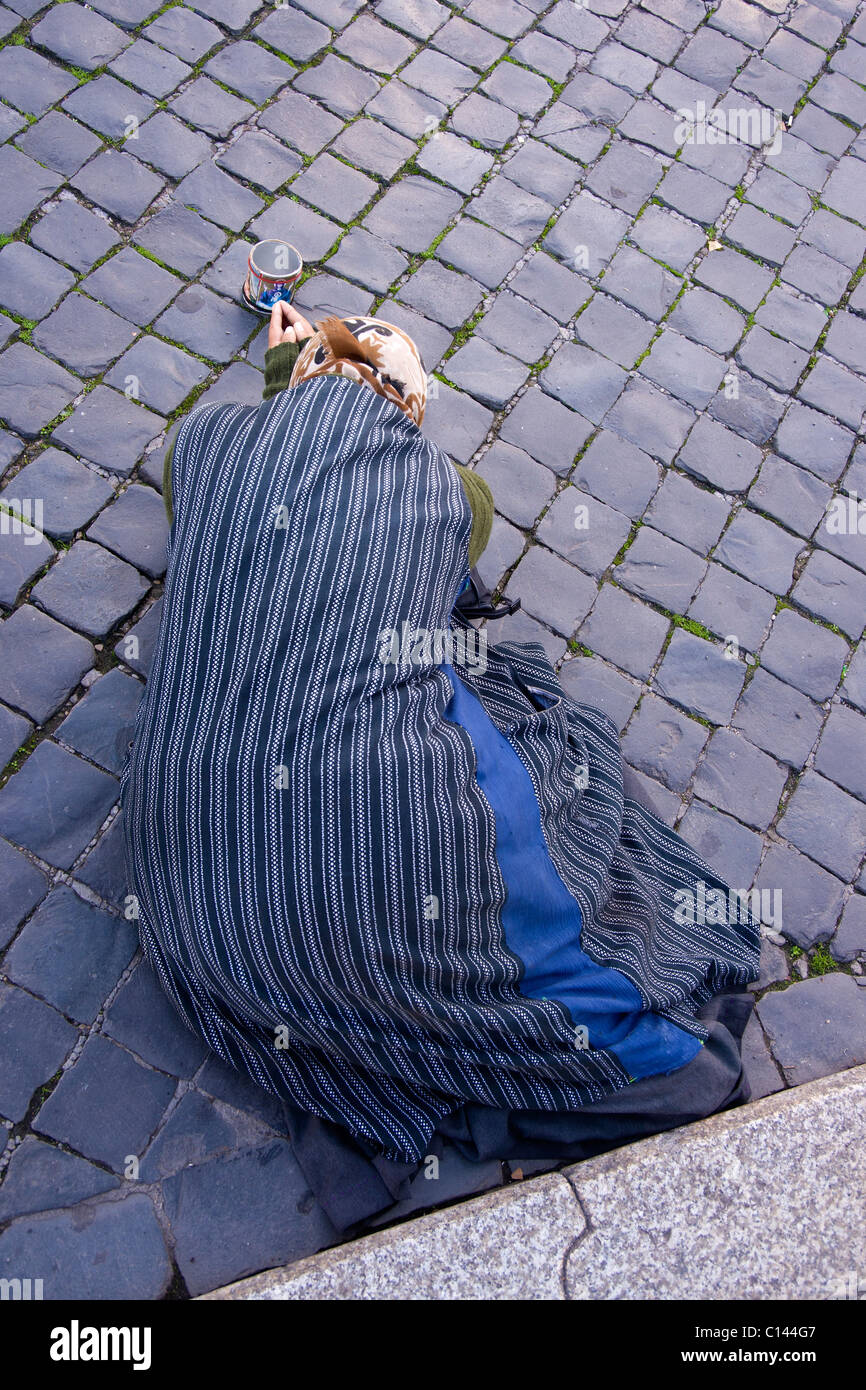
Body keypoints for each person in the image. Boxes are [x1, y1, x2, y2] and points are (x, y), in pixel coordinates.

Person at [122, 301, 760, 1233]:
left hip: (194, 882)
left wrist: (295, 369)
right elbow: (449, 563)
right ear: (409, 409)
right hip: (355, 851)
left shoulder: (202, 444)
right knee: (520, 730)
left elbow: (215, 509)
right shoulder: (446, 488)